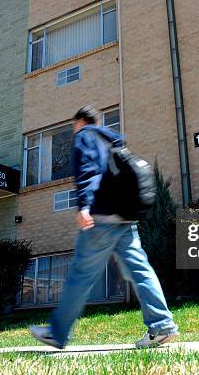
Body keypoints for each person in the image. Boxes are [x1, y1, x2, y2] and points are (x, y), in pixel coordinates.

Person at [30, 105, 179, 349]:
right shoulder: (112, 140)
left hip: (101, 219)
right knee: (140, 269)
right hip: (125, 219)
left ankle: (57, 333)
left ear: (80, 121)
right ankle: (161, 324)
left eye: (73, 125)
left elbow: (88, 171)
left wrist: (84, 206)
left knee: (80, 275)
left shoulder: (85, 136)